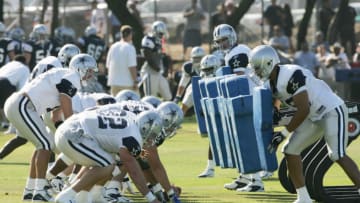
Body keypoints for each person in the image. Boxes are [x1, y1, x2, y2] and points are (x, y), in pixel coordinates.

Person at [249, 44, 360, 203]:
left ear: (269, 63)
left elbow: (303, 110)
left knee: (336, 154)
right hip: (314, 115)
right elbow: (276, 105)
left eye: (258, 68)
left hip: (331, 109)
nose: (256, 72)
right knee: (290, 150)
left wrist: (284, 133)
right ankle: (303, 198)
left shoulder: (291, 74)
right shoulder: (270, 83)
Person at [4, 54, 98, 202]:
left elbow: (55, 115)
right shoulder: (72, 76)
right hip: (23, 105)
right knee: (46, 144)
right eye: (90, 70)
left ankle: (30, 189)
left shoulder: (64, 76)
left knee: (43, 144)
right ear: (81, 69)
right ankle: (40, 190)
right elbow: (65, 99)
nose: (91, 74)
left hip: (23, 105)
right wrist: (71, 124)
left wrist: (62, 127)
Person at [54, 104, 163, 203]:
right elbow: (133, 171)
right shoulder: (133, 136)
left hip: (72, 127)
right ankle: (66, 196)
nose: (151, 139)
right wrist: (151, 198)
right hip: (74, 134)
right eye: (152, 135)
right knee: (108, 164)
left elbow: (94, 109)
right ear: (146, 129)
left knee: (109, 159)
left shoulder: (129, 118)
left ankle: (87, 195)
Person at [211, 24, 266, 191]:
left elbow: (239, 78)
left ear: (232, 37)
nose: (222, 44)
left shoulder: (238, 51)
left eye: (224, 40)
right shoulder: (232, 53)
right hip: (243, 98)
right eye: (218, 41)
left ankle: (256, 181)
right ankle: (243, 176)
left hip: (247, 98)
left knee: (247, 140)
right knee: (239, 140)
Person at [0, 55, 29, 144]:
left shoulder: (8, 65)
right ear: (24, 62)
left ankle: (5, 124)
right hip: (6, 83)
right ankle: (11, 129)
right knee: (13, 105)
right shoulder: (24, 68)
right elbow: (22, 87)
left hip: (2, 80)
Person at [140, 21, 172, 101]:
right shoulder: (148, 39)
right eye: (160, 33)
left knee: (168, 96)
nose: (161, 36)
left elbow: (160, 56)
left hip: (158, 72)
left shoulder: (158, 41)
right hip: (149, 72)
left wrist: (165, 68)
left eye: (162, 34)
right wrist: (157, 68)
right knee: (150, 98)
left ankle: (165, 111)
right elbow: (147, 55)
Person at [106, 25, 138, 96]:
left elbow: (108, 65)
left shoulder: (113, 46)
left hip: (114, 82)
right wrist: (135, 81)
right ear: (130, 35)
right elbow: (132, 67)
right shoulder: (130, 48)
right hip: (127, 84)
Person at [173, 46, 205, 116]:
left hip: (206, 86)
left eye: (199, 58)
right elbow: (183, 82)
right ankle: (176, 123)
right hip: (194, 86)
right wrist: (178, 97)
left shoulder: (208, 63)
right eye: (195, 58)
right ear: (191, 58)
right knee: (184, 106)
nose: (197, 60)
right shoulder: (188, 67)